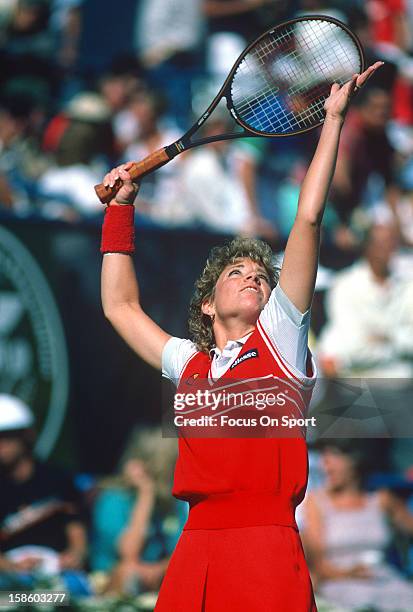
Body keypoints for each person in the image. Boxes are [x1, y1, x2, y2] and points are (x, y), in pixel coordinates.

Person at [100, 62, 383, 611]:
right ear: (207, 303)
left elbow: (307, 220)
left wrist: (332, 120)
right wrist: (120, 211)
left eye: (261, 276)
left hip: (266, 544)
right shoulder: (189, 364)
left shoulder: (280, 339)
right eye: (238, 273)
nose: (254, 277)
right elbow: (120, 306)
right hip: (196, 545)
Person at [301, 439, 413, 611]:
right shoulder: (316, 502)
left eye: (333, 457)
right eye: (324, 458)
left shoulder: (381, 499)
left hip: (385, 579)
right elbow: (318, 565)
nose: (325, 465)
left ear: (354, 461)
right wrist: (350, 573)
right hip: (340, 583)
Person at [0, 394, 90, 595]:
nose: (1, 444)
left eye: (6, 436)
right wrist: (8, 565)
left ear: (26, 435)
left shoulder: (58, 479)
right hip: (8, 575)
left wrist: (74, 555)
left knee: (71, 593)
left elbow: (76, 530)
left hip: (55, 570)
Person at [91, 426, 187, 594]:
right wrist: (146, 493)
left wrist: (159, 568)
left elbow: (184, 550)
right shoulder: (114, 499)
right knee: (128, 572)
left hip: (155, 577)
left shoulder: (174, 503)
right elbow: (128, 554)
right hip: (108, 582)